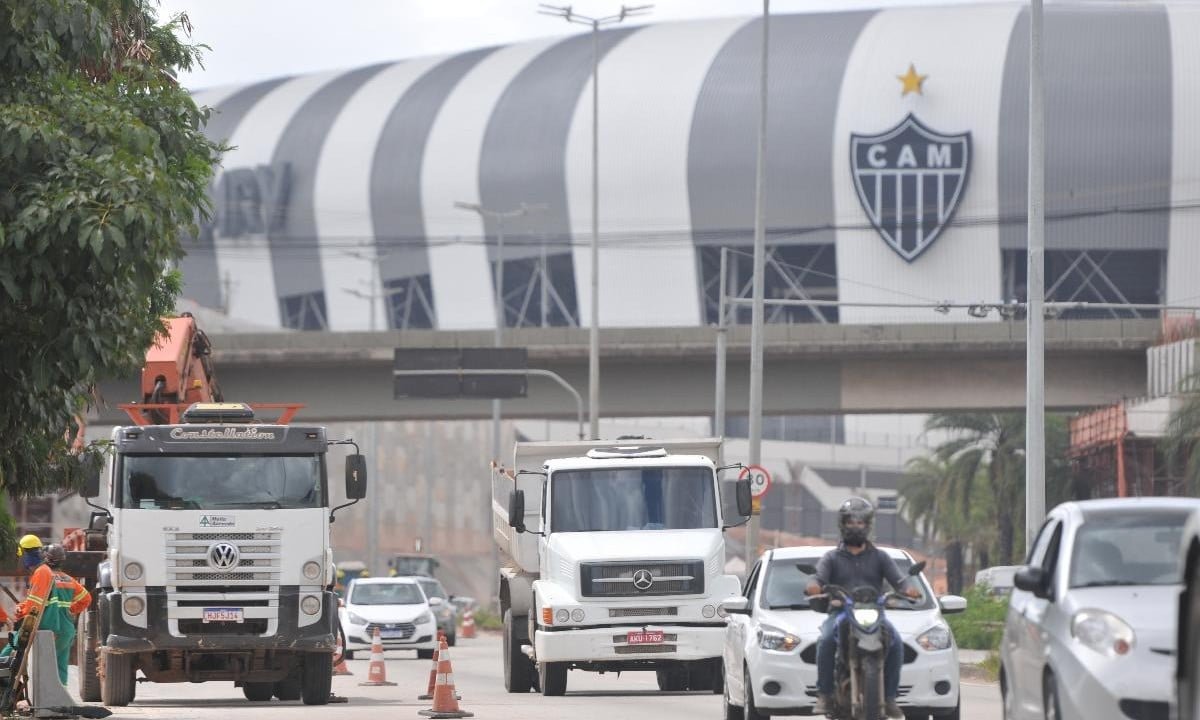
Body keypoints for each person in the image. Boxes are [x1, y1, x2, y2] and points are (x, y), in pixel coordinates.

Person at [805, 498, 920, 720]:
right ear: (842, 524)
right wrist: (814, 586)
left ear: (867, 525)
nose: (856, 526)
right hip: (841, 613)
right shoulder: (832, 558)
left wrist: (909, 588)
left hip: (874, 614)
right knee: (826, 639)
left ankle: (889, 698)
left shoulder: (880, 557)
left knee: (896, 643)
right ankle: (825, 694)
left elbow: (900, 580)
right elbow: (817, 577)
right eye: (851, 522)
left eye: (860, 522)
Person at [9, 537, 91, 685]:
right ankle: (61, 702)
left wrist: (22, 610)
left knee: (39, 666)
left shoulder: (43, 575)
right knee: (60, 668)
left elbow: (36, 604)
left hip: (48, 628)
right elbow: (87, 599)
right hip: (66, 630)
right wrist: (71, 610)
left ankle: (43, 700)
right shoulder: (69, 580)